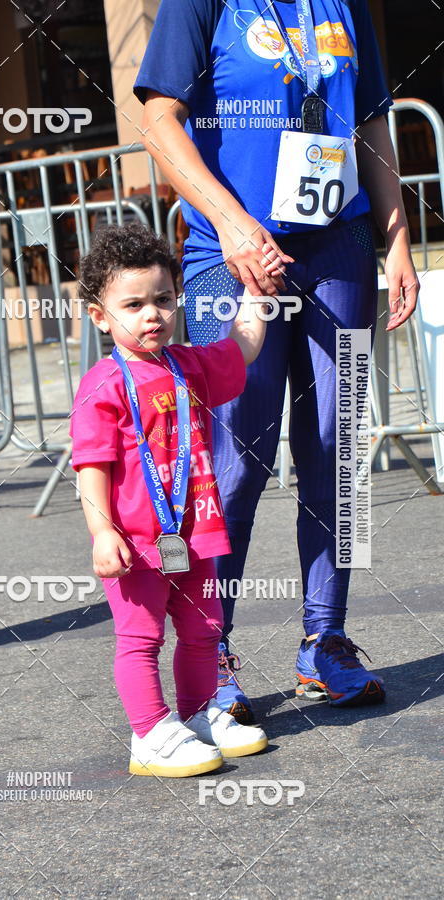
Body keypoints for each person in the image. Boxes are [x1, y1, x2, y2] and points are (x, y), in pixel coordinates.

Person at [135, 0, 418, 715]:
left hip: (338, 248)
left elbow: (372, 123)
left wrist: (398, 238)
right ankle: (211, 649)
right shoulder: (199, 5)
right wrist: (232, 224)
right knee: (237, 458)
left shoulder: (342, 5)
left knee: (335, 448)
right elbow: (160, 119)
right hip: (229, 257)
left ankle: (326, 642)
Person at [70, 223, 270, 777]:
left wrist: (255, 297)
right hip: (135, 543)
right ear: (99, 315)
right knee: (141, 637)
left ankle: (200, 714)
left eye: (161, 299)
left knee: (206, 629)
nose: (151, 314)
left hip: (195, 532)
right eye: (132, 304)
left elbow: (243, 348)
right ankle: (150, 733)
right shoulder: (102, 386)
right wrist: (103, 532)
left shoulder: (188, 365)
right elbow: (91, 467)